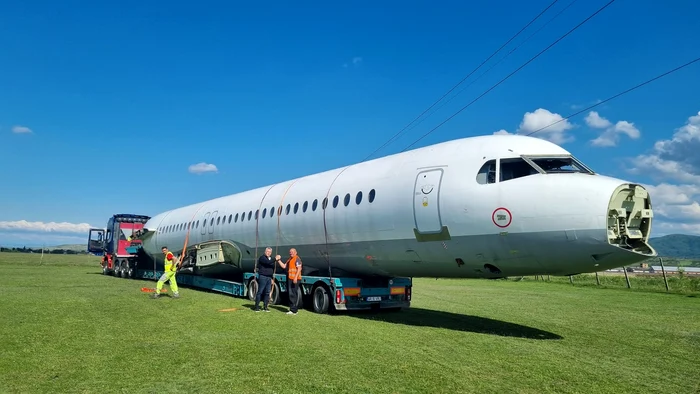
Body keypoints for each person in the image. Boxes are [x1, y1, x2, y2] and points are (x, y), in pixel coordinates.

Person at [277, 248, 302, 315]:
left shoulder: (297, 259)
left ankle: (294, 310)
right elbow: (284, 266)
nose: (291, 253)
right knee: (290, 293)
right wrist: (279, 260)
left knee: (292, 294)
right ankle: (292, 309)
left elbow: (299, 268)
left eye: (292, 252)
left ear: (296, 252)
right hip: (290, 278)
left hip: (294, 279)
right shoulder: (290, 259)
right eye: (290, 252)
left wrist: (295, 277)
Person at [254, 247, 278, 312]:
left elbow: (272, 268)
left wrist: (272, 278)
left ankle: (265, 307)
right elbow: (267, 262)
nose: (268, 253)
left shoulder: (271, 259)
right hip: (263, 276)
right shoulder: (262, 258)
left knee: (267, 292)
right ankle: (256, 306)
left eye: (270, 252)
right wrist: (275, 259)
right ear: (265, 251)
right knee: (260, 291)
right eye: (267, 251)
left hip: (269, 277)